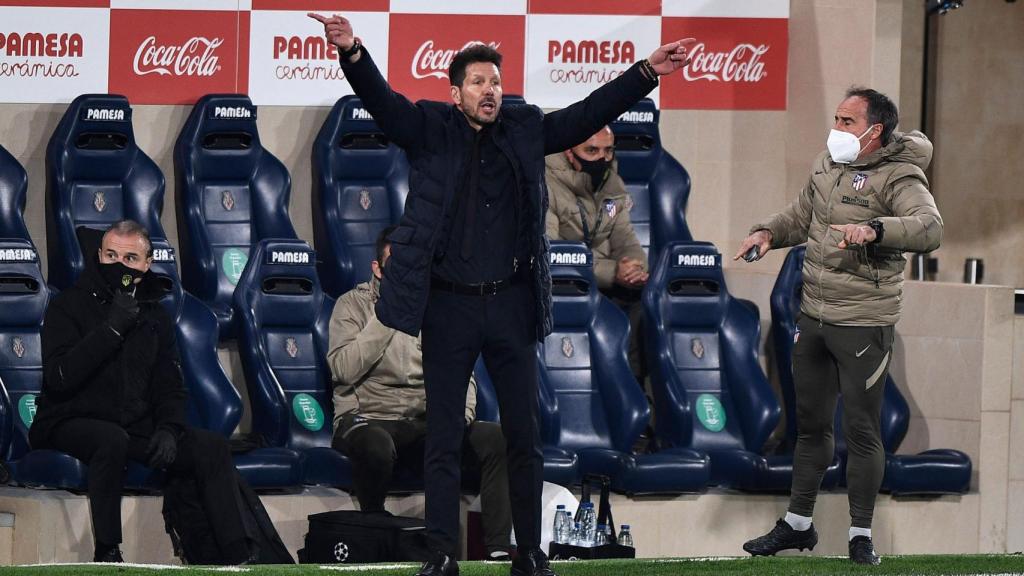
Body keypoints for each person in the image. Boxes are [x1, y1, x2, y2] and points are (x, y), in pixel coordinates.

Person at [309, 12, 695, 576]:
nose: (490, 90)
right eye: (478, 82)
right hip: (448, 305)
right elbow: (383, 102)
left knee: (524, 434)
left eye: (495, 81)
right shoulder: (430, 127)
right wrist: (352, 51)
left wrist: (645, 73)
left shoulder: (524, 126)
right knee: (443, 437)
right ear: (456, 92)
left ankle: (530, 551)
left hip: (511, 302)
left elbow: (586, 115)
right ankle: (441, 555)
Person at [735, 88, 942, 565]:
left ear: (876, 131)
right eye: (836, 118)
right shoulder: (826, 166)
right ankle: (798, 525)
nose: (837, 129)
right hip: (815, 317)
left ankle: (861, 535)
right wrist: (767, 232)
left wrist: (877, 229)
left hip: (864, 321)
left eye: (847, 121)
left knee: (862, 430)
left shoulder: (900, 174)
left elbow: (930, 228)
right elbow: (802, 215)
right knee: (809, 427)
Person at [30, 220, 254, 564]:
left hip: (133, 424)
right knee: (110, 439)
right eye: (111, 255)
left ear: (146, 264)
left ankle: (236, 555)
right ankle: (108, 552)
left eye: (130, 258)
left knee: (210, 446)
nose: (119, 265)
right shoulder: (67, 305)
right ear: (99, 256)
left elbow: (170, 385)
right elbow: (61, 378)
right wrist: (111, 329)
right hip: (67, 420)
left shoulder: (155, 315)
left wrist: (169, 428)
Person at [327, 226, 513, 560]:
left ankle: (497, 549)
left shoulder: (437, 307)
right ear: (377, 268)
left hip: (423, 423)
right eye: (396, 264)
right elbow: (342, 368)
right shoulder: (352, 305)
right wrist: (388, 315)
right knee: (376, 446)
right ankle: (374, 530)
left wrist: (461, 416)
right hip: (368, 419)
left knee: (496, 438)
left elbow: (463, 373)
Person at [545, 126, 648, 381]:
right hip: (561, 284)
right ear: (569, 152)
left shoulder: (613, 185)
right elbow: (550, 254)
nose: (602, 158)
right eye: (591, 150)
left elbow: (624, 236)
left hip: (605, 283)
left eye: (608, 150)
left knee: (645, 304)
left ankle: (632, 391)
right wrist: (613, 272)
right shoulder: (545, 184)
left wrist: (636, 268)